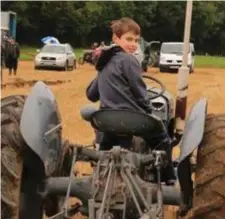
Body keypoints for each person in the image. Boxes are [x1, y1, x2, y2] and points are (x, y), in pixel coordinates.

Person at [83, 17, 176, 185]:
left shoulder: (104, 63)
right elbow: (140, 92)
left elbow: (91, 94)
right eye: (129, 39)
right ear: (116, 38)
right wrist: (149, 112)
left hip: (107, 119)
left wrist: (102, 76)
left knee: (105, 147)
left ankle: (101, 172)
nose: (133, 44)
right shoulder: (130, 60)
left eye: (136, 41)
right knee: (162, 138)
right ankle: (168, 177)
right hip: (130, 118)